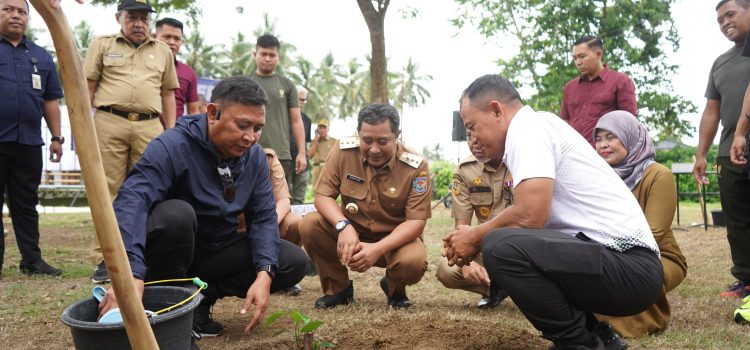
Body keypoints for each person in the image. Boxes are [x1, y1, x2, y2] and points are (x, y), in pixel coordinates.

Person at [444, 74, 662, 350]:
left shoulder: (527, 129)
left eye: (472, 127)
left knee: (499, 246)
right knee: (496, 243)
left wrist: (476, 235)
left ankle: (578, 343)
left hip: (630, 266)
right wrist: (475, 239)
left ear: (497, 110)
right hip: (623, 265)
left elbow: (530, 216)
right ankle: (600, 336)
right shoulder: (536, 126)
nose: (471, 138)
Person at [97, 76, 308, 338]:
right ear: (212, 113)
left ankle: (198, 300)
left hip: (216, 249)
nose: (250, 137)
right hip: (169, 252)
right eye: (242, 125)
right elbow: (132, 201)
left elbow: (264, 217)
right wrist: (129, 273)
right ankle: (162, 304)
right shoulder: (172, 145)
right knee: (176, 215)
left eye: (258, 128)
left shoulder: (254, 157)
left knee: (291, 261)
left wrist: (264, 273)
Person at [84, 0, 179, 284]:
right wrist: (84, 126)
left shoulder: (162, 51)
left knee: (150, 190)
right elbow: (87, 86)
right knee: (107, 190)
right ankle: (105, 257)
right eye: (132, 17)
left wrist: (171, 132)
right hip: (108, 121)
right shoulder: (101, 44)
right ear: (118, 18)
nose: (139, 23)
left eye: (144, 18)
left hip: (150, 125)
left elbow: (168, 94)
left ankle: (142, 254)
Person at [299, 103, 430, 309]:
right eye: (367, 140)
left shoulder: (415, 166)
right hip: (352, 234)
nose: (374, 149)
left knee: (413, 262)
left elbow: (416, 222)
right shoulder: (343, 151)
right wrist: (344, 226)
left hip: (394, 241)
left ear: (397, 135)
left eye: (383, 141)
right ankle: (338, 290)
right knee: (310, 224)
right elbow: (323, 196)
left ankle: (395, 288)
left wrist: (378, 249)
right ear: (358, 133)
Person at [594, 110, 688, 338]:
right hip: (606, 253)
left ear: (630, 137)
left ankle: (636, 323)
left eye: (611, 137)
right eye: (598, 139)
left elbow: (652, 232)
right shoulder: (598, 176)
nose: (603, 145)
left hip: (659, 256)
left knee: (621, 277)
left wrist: (604, 258)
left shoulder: (657, 174)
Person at [0, 0, 63, 276]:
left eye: (21, 11)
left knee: (26, 202)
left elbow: (50, 100)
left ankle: (32, 261)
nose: (16, 15)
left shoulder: (41, 56)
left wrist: (57, 138)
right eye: (8, 9)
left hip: (28, 142)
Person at [694, 0, 750, 298]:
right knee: (737, 220)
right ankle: (746, 280)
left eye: (730, 14)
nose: (724, 22)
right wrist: (701, 153)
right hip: (730, 152)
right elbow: (711, 112)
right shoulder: (721, 62)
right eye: (719, 20)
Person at [436, 131, 512, 309]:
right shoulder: (465, 170)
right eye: (469, 136)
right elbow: (461, 228)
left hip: (524, 244)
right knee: (447, 270)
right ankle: (495, 288)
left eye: (480, 136)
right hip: (487, 245)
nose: (473, 143)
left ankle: (522, 288)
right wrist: (465, 262)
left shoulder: (522, 163)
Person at [250, 34, 307, 194]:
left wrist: (302, 153)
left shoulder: (287, 85)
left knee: (280, 197)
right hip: (248, 149)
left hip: (281, 153)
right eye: (263, 54)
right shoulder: (245, 83)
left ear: (278, 57)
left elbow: (297, 121)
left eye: (272, 55)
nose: (267, 58)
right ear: (255, 55)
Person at [560, 35, 637, 147]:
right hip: (574, 154)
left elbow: (630, 123)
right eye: (575, 58)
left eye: (582, 56)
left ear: (598, 54)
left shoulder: (620, 81)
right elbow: (564, 123)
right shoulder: (570, 87)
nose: (578, 62)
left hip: (607, 154)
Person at [154, 17, 200, 120]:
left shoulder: (188, 72)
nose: (172, 42)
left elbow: (193, 111)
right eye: (167, 37)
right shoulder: (141, 64)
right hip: (142, 130)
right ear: (154, 37)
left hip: (173, 133)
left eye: (177, 39)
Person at [290, 86, 312, 204]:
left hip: (302, 164)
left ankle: (297, 222)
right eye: (298, 98)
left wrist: (304, 157)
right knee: (284, 196)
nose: (300, 102)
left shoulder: (307, 120)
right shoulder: (282, 119)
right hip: (285, 161)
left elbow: (306, 143)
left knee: (299, 199)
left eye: (303, 100)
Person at [309, 118, 337, 185]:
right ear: (317, 130)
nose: (322, 130)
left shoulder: (334, 141)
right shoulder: (314, 142)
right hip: (317, 168)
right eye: (320, 128)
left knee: (330, 190)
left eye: (324, 127)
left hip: (329, 169)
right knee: (317, 191)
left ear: (328, 129)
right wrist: (316, 141)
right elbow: (310, 156)